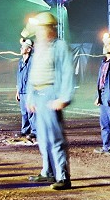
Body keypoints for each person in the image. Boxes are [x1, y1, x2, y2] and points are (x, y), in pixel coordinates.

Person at [25, 11, 75, 190]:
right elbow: (33, 74)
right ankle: (48, 172)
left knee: (55, 138)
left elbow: (67, 71)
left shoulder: (59, 46)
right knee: (43, 138)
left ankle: (63, 177)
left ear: (51, 28)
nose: (39, 32)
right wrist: (30, 97)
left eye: (42, 28)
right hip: (38, 96)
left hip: (51, 95)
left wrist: (64, 97)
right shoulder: (40, 46)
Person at [15, 37, 36, 141]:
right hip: (22, 91)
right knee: (24, 112)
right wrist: (17, 91)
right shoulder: (20, 62)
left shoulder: (33, 61)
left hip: (30, 91)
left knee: (31, 112)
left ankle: (34, 131)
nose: (21, 48)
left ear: (29, 49)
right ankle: (25, 130)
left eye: (23, 47)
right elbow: (19, 76)